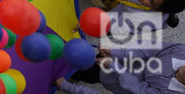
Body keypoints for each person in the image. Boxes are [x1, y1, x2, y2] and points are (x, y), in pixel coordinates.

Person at [56, 43, 185, 94]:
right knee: (72, 60)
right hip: (114, 59)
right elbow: (147, 49)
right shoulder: (181, 51)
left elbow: (137, 88)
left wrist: (113, 66)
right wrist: (114, 52)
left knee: (82, 74)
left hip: (109, 77)